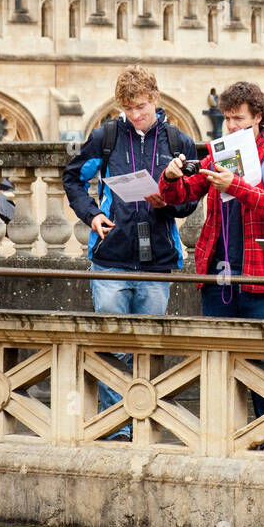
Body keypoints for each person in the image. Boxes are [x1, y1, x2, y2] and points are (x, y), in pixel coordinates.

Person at [62, 66, 200, 439]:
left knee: (147, 346)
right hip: (111, 255)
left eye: (141, 107)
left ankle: (142, 422)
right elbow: (73, 178)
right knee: (111, 344)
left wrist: (168, 201)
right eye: (129, 109)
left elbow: (190, 200)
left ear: (155, 99)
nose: (136, 115)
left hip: (158, 257)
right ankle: (117, 427)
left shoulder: (179, 143)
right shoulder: (105, 137)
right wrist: (93, 214)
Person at [158, 81, 264, 320]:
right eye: (227, 118)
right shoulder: (218, 156)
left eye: (239, 119)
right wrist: (170, 176)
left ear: (257, 117)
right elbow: (181, 196)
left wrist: (235, 185)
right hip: (216, 274)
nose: (231, 126)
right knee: (215, 353)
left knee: (258, 356)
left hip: (258, 274)